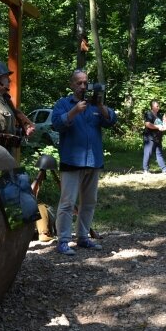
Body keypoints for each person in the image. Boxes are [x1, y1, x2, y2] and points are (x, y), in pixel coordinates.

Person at [51, 69, 117, 255]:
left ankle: (83, 237)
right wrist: (73, 112)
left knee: (89, 202)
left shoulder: (96, 105)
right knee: (67, 203)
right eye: (78, 83)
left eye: (85, 83)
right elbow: (57, 124)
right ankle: (63, 241)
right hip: (72, 160)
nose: (82, 86)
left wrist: (101, 106)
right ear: (72, 84)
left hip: (93, 160)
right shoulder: (63, 104)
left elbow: (111, 120)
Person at [142, 100, 166, 174]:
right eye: (157, 106)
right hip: (149, 137)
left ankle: (164, 169)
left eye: (159, 106)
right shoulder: (148, 114)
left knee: (159, 153)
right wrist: (158, 127)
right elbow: (147, 124)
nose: (158, 107)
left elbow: (165, 124)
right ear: (152, 107)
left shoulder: (160, 114)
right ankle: (145, 170)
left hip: (158, 137)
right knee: (148, 153)